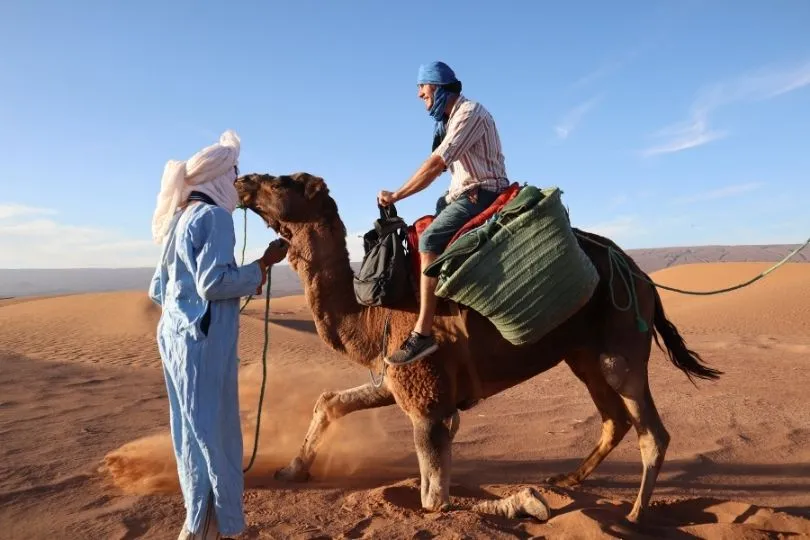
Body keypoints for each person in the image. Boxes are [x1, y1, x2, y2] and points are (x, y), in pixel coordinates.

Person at [148, 130, 287, 540]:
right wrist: (262, 265)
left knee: (189, 434)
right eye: (234, 173)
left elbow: (158, 288)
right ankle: (224, 528)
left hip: (175, 339)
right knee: (218, 436)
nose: (236, 182)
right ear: (218, 177)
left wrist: (200, 303)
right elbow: (213, 284)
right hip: (203, 345)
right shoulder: (214, 218)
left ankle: (196, 525)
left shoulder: (180, 218)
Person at [378, 61, 509, 366]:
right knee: (422, 228)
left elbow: (436, 164)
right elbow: (437, 169)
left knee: (430, 241)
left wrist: (397, 194)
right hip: (462, 193)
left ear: (436, 87)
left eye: (422, 88)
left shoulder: (469, 113)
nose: (418, 94)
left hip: (483, 193)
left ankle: (423, 334)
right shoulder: (448, 121)